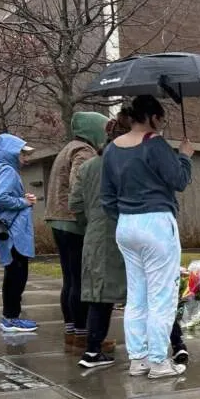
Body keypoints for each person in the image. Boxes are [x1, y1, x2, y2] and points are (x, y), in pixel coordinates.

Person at [101, 95, 193, 379]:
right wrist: (185, 157)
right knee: (162, 296)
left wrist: (126, 216)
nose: (162, 124)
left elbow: (107, 198)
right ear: (153, 118)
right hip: (155, 223)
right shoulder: (154, 144)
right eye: (162, 118)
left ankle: (138, 358)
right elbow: (178, 180)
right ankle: (158, 361)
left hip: (126, 226)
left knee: (137, 295)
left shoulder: (112, 149)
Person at [69, 113, 131, 368]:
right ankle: (93, 352)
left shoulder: (87, 167)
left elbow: (75, 204)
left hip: (94, 234)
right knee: (137, 293)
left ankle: (93, 348)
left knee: (98, 295)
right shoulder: (125, 164)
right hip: (119, 232)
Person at [45, 111, 109, 347]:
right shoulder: (83, 151)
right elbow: (79, 183)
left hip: (57, 220)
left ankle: (71, 329)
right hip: (74, 222)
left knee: (69, 278)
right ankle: (83, 333)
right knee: (82, 279)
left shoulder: (67, 148)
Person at [0, 133, 38, 333]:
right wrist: (23, 202)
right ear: (12, 153)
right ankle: (11, 318)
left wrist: (20, 197)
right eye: (23, 154)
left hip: (7, 230)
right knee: (17, 276)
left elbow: (2, 196)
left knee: (12, 274)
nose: (26, 159)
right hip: (14, 233)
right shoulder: (9, 170)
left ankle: (9, 317)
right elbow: (1, 197)